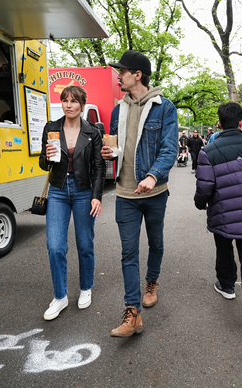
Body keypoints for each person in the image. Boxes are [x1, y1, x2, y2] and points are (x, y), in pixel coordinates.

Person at [101, 50, 178, 337]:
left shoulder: (165, 107)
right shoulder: (117, 109)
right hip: (125, 192)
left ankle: (152, 282)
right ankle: (133, 313)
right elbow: (118, 146)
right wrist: (111, 152)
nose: (118, 75)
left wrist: (152, 175)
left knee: (155, 242)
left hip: (155, 191)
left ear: (137, 74)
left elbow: (170, 148)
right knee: (128, 252)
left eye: (122, 71)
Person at [194, 102, 242, 332]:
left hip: (222, 211)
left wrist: (200, 203)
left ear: (219, 123)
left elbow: (204, 187)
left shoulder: (209, 151)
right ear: (241, 122)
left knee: (224, 248)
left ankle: (227, 286)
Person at [38, 85, 104, 321]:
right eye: (65, 100)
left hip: (84, 191)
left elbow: (98, 167)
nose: (69, 105)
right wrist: (45, 156)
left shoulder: (92, 132)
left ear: (82, 105)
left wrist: (97, 195)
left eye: (74, 101)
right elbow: (44, 165)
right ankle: (60, 296)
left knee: (85, 243)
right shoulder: (52, 127)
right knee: (55, 246)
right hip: (57, 190)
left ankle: (86, 288)